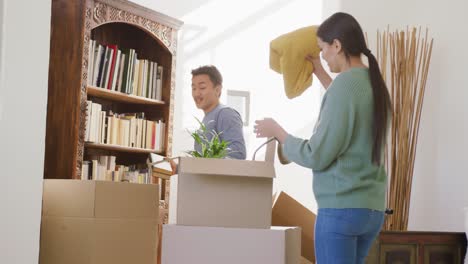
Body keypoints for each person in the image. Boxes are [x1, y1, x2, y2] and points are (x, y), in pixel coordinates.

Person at [254, 12, 392, 264]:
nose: (323, 57)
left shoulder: (343, 89)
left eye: (323, 49)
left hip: (342, 211)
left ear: (337, 45)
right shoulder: (374, 84)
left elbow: (316, 155)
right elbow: (352, 111)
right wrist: (321, 74)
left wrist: (279, 132)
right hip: (371, 210)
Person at [168, 65, 247, 173]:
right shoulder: (207, 118)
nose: (196, 93)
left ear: (217, 90)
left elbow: (238, 153)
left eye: (202, 88)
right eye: (194, 88)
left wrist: (203, 162)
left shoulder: (226, 114)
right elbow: (203, 162)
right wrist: (179, 168)